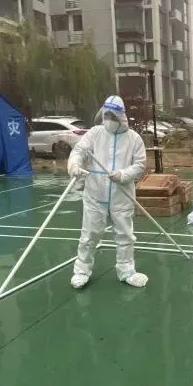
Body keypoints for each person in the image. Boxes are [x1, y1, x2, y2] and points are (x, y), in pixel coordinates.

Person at [67, 95, 148, 289]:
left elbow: (140, 165)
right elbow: (79, 151)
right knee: (89, 236)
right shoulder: (95, 133)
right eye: (106, 115)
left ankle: (127, 271)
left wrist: (122, 174)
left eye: (112, 116)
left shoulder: (134, 139)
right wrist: (74, 165)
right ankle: (81, 271)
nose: (108, 120)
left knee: (125, 236)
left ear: (121, 116)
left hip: (122, 195)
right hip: (95, 194)